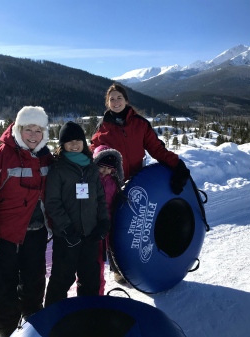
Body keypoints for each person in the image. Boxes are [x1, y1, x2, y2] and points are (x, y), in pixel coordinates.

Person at [90, 83, 191, 283]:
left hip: (136, 182)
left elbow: (157, 149)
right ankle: (118, 267)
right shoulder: (103, 128)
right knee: (114, 225)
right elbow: (94, 151)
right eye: (112, 99)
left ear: (126, 100)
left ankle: (140, 262)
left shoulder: (140, 124)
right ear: (107, 103)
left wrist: (177, 164)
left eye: (119, 98)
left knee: (139, 225)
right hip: (112, 185)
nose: (116, 102)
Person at [0, 106, 53, 337]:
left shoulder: (47, 157)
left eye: (38, 130)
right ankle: (6, 331)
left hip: (36, 233)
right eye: (29, 129)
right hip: (4, 235)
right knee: (4, 285)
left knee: (34, 281)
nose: (33, 135)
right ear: (19, 129)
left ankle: (33, 327)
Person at [44, 121, 110, 307]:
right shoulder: (58, 169)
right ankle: (52, 318)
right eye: (69, 141)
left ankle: (87, 315)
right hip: (67, 238)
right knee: (61, 280)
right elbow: (53, 203)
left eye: (78, 140)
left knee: (90, 279)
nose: (74, 144)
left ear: (83, 141)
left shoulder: (91, 168)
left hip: (90, 235)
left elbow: (100, 198)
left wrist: (103, 222)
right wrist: (66, 229)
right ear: (62, 145)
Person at [92, 145, 124, 291]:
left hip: (110, 222)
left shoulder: (114, 181)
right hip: (95, 225)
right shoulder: (91, 180)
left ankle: (118, 270)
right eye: (101, 167)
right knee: (96, 260)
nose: (105, 171)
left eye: (108, 168)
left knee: (115, 249)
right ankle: (97, 290)